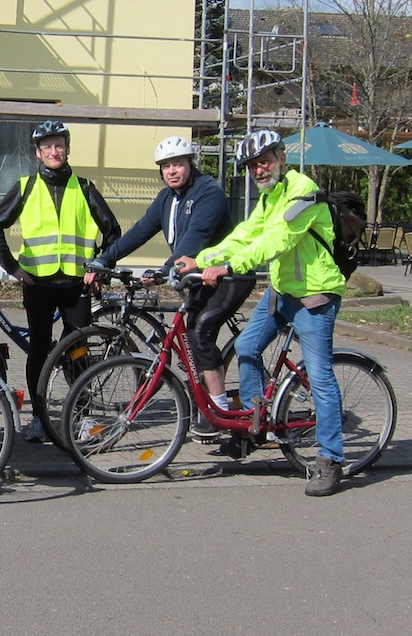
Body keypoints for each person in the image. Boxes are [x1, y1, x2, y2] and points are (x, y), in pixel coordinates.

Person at [175, 129, 347, 496]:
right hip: (283, 292)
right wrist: (202, 258)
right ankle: (257, 426)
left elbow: (276, 241)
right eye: (252, 165)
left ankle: (330, 458)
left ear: (281, 156)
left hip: (316, 297)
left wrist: (229, 267)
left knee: (320, 376)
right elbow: (246, 234)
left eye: (264, 161)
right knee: (248, 348)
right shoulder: (270, 197)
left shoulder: (303, 191)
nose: (258, 169)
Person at [88, 136, 256, 439]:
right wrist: (105, 260)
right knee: (191, 341)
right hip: (194, 279)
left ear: (190, 164)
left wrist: (167, 269)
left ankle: (217, 411)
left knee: (200, 332)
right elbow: (140, 231)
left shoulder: (209, 193)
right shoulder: (167, 198)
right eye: (166, 166)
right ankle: (204, 398)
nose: (172, 171)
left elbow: (197, 238)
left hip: (228, 277)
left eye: (177, 163)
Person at [0, 120, 121, 443]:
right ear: (38, 153)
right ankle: (39, 418)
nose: (54, 151)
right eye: (47, 146)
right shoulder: (26, 186)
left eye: (59, 145)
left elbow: (113, 231)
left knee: (77, 348)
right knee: (40, 351)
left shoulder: (84, 187)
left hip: (77, 286)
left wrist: (99, 267)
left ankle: (84, 416)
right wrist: (12, 267)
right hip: (39, 285)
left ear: (68, 148)